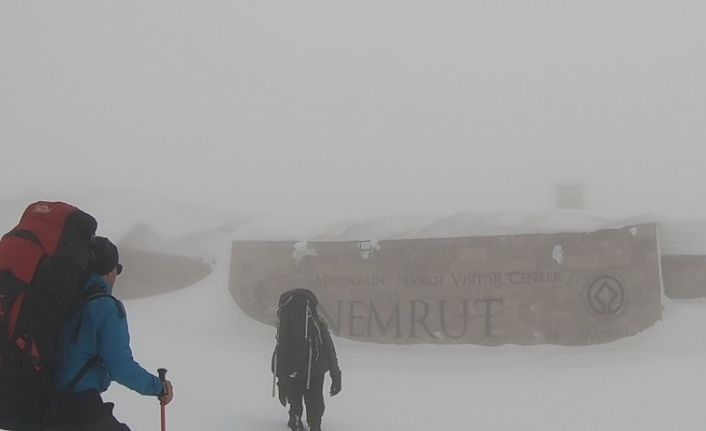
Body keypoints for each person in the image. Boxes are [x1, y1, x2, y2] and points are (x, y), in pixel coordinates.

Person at [46, 236, 174, 431]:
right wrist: (159, 387)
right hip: (80, 409)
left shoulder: (65, 300)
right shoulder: (105, 307)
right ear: (108, 272)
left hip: (47, 403)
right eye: (116, 269)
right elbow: (120, 366)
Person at [274, 289, 341, 431]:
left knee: (295, 396)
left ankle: (295, 418)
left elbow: (280, 350)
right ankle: (314, 423)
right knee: (315, 398)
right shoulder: (316, 320)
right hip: (314, 368)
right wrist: (336, 374)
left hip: (290, 368)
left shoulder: (285, 319)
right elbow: (329, 347)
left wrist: (281, 381)